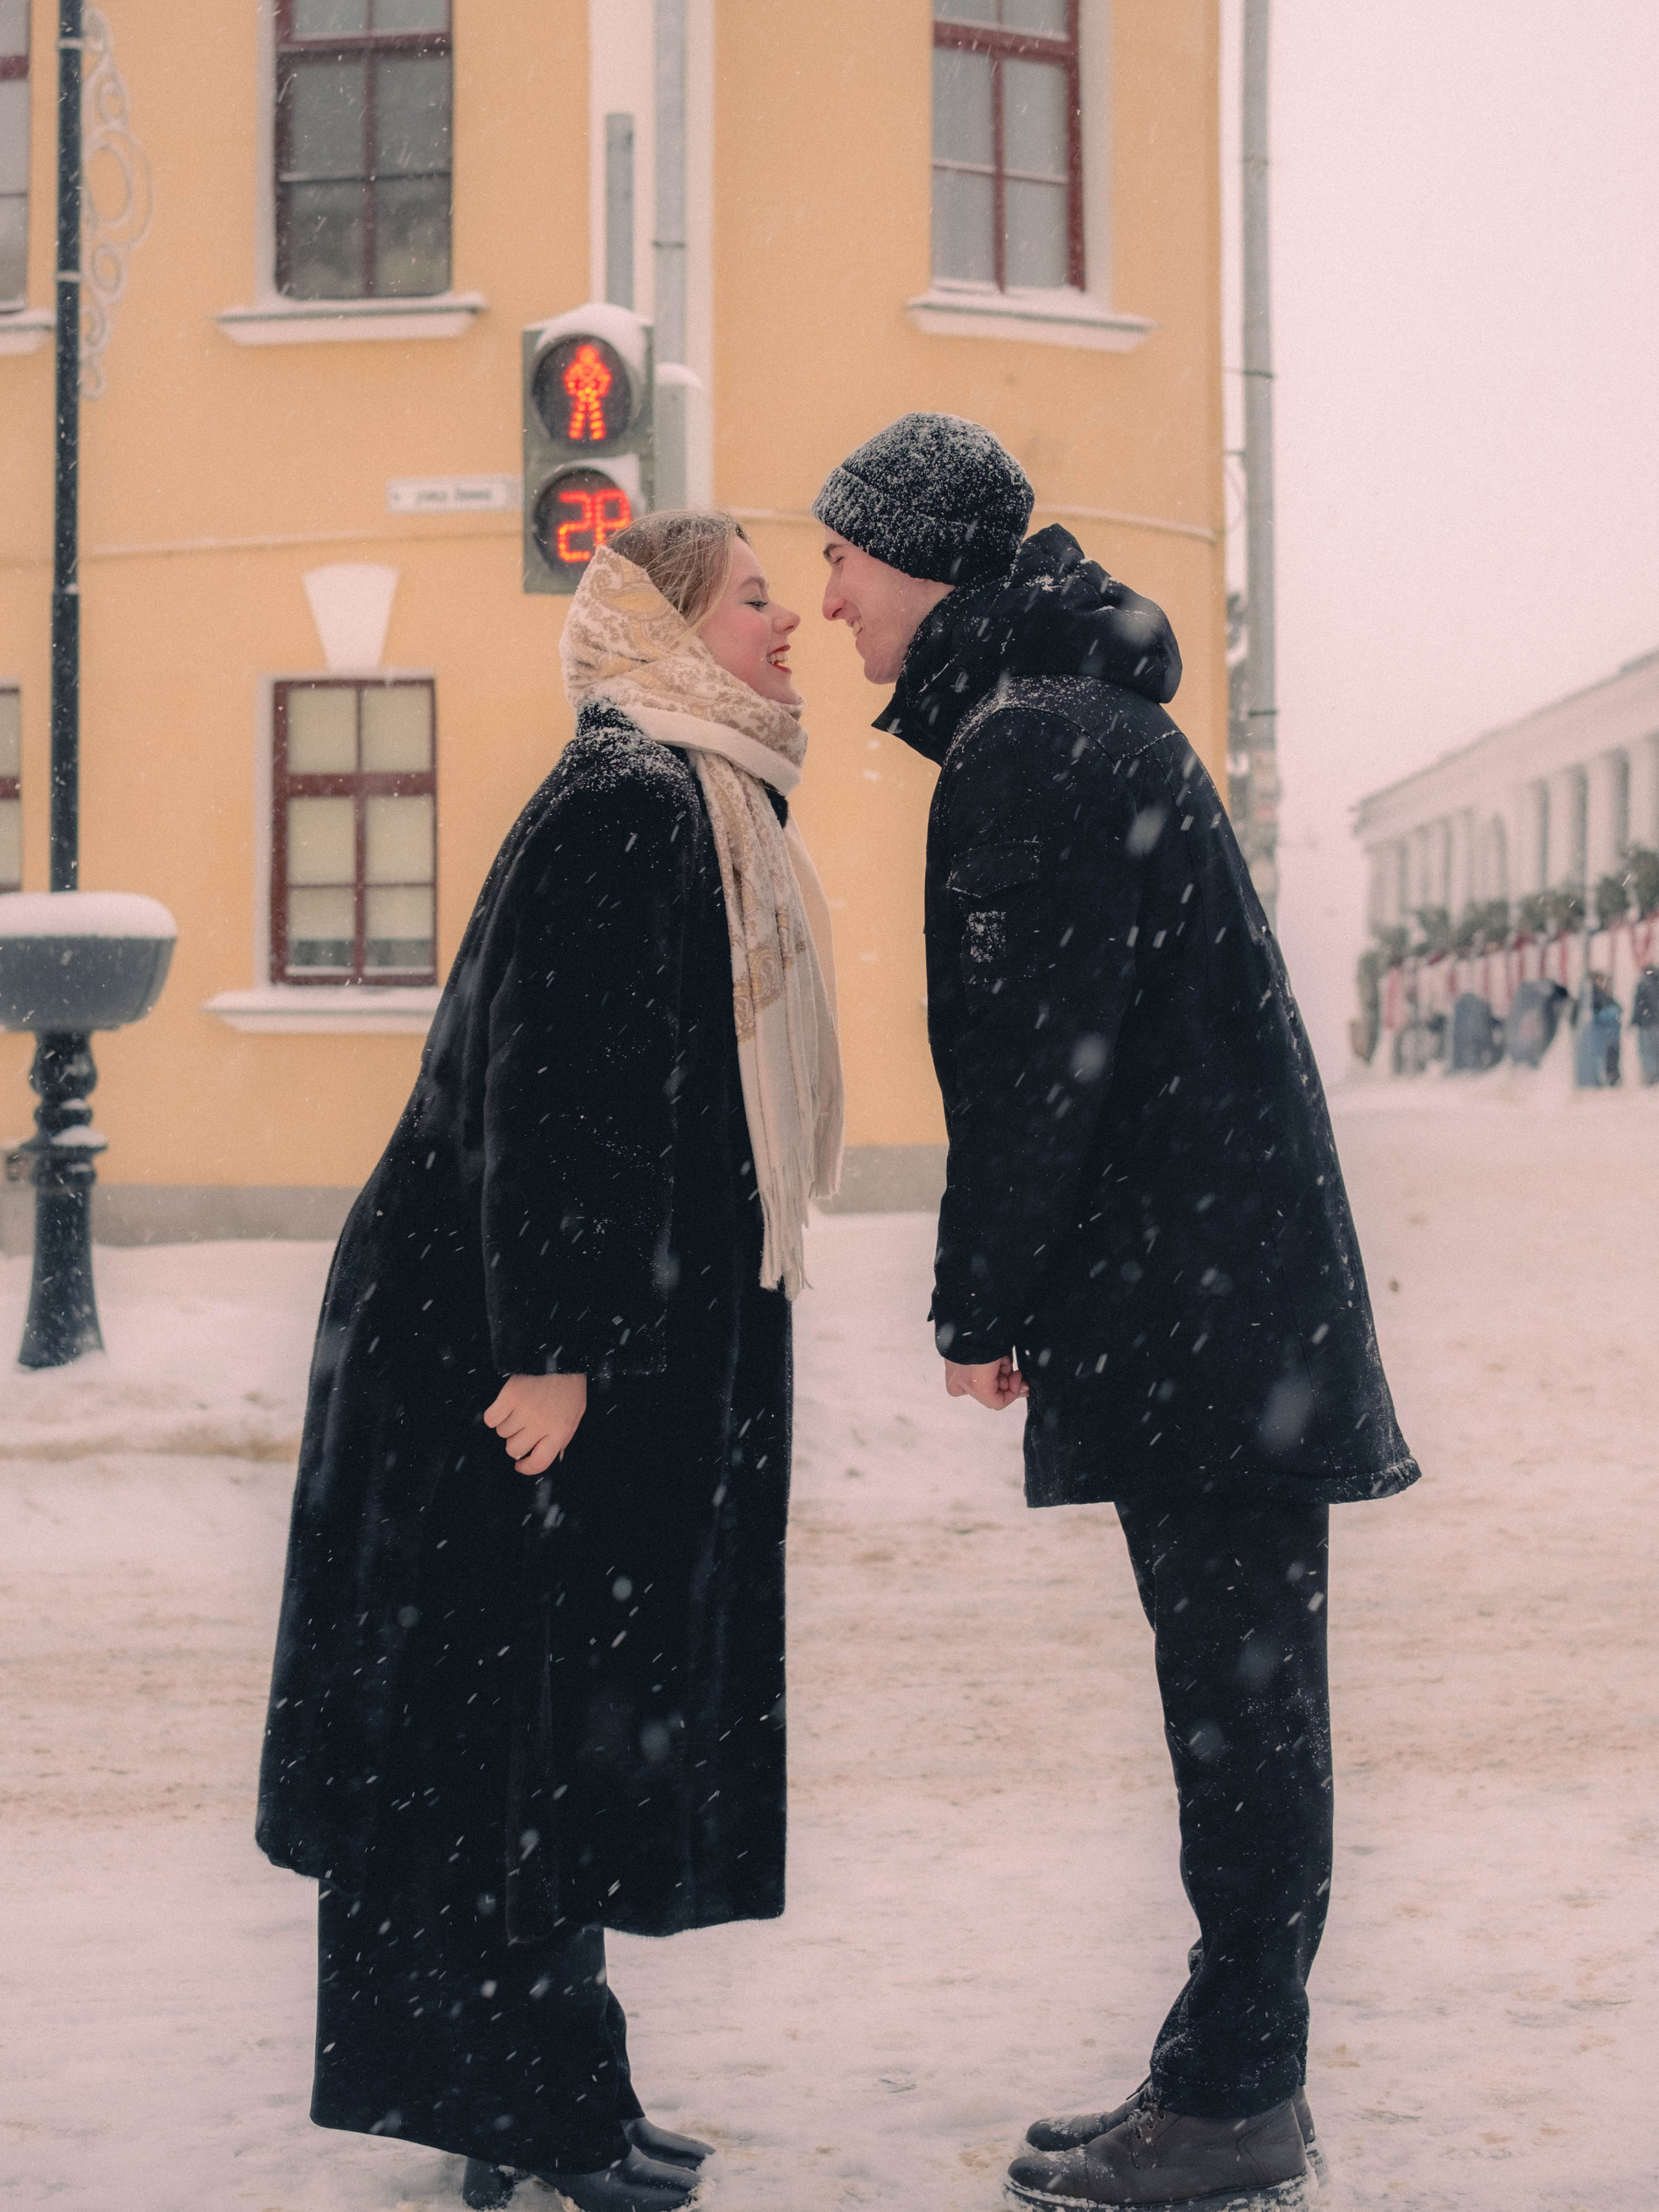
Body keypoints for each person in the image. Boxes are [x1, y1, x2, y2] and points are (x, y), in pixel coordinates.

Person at [813, 414, 1420, 2212]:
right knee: (1243, 1706)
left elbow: (1039, 1072)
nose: (832, 592)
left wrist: (974, 1300)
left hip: (1202, 1309)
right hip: (1224, 1297)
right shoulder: (1080, 720)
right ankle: (1223, 2071)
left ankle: (1236, 2096)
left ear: (926, 563)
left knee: (1242, 1715)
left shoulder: (1034, 751)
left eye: (846, 556)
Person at [255, 512, 842, 2212]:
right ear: (667, 623)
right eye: (754, 597)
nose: (787, 622)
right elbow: (560, 1088)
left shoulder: (679, 791)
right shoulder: (633, 802)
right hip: (503, 1362)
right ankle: (536, 2109)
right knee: (503, 1751)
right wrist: (562, 1350)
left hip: (531, 1339)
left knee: (529, 1746)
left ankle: (548, 2090)